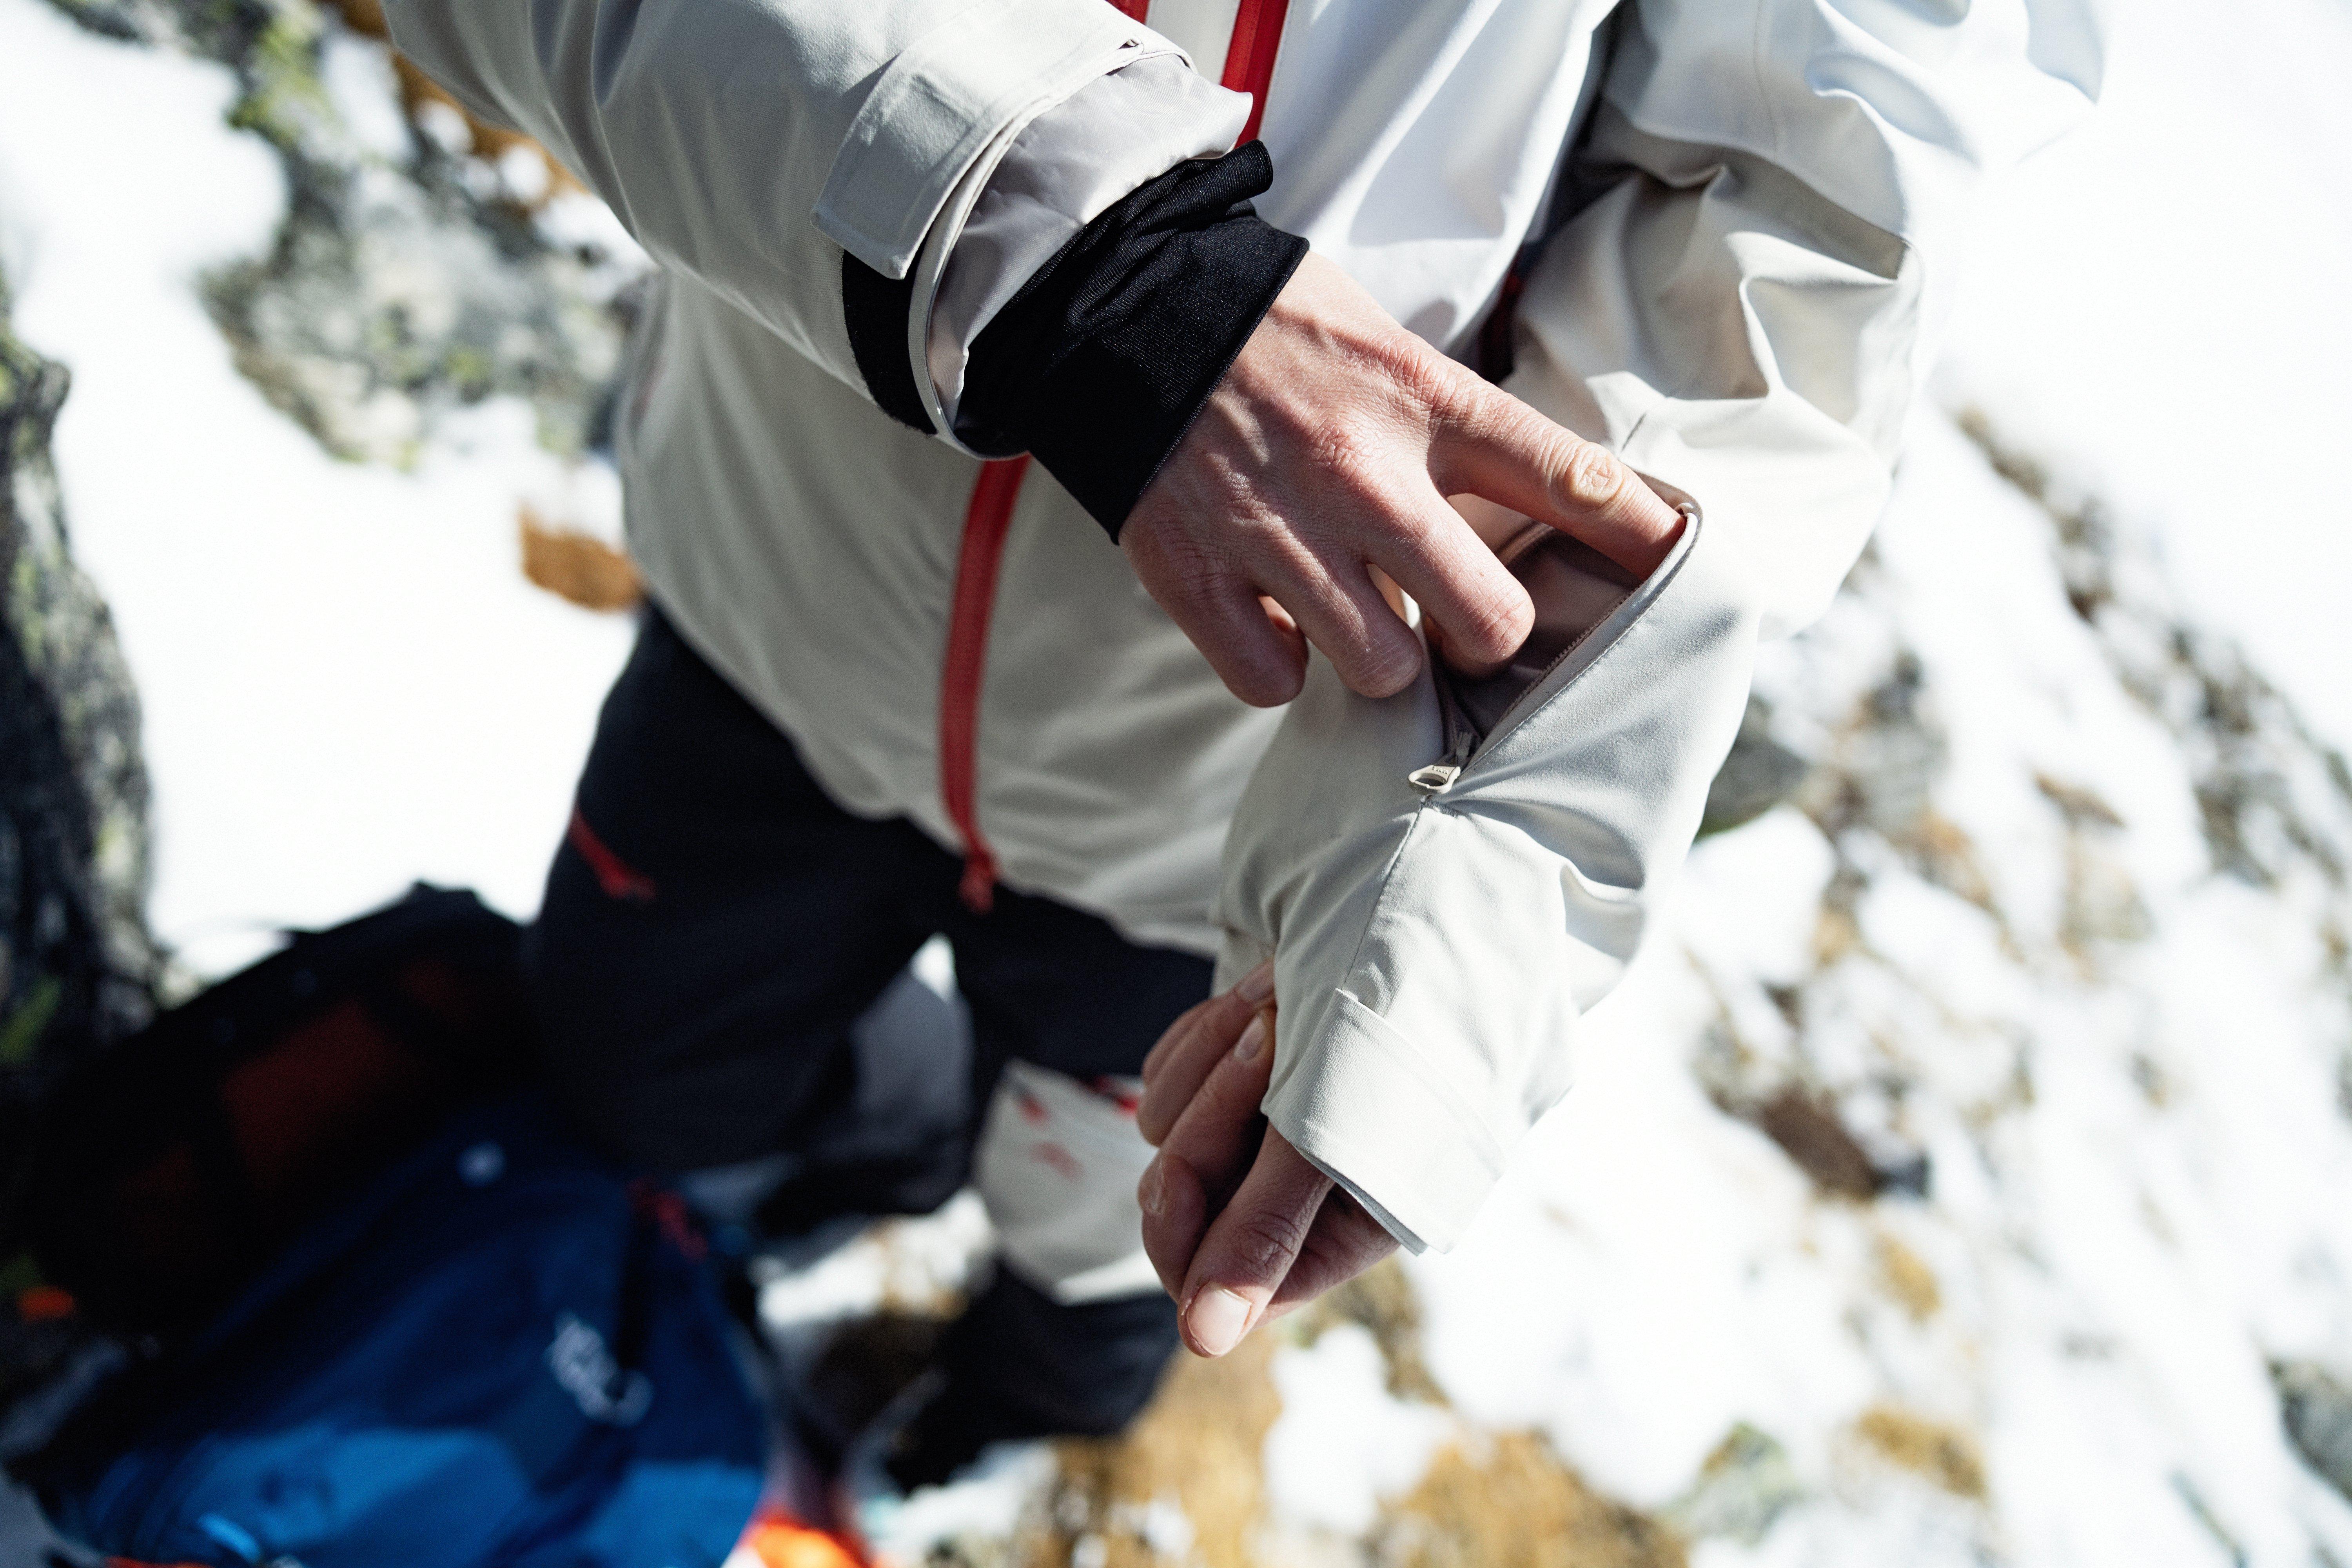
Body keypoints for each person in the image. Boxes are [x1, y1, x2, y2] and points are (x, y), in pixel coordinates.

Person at [383, 0, 2101, 1507]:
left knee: (1106, 1255)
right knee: (636, 1066)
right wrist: (1080, 257)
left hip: (1221, 797)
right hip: (772, 605)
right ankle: (809, 1201)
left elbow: (1795, 212)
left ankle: (991, 1419)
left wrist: (1469, 855)